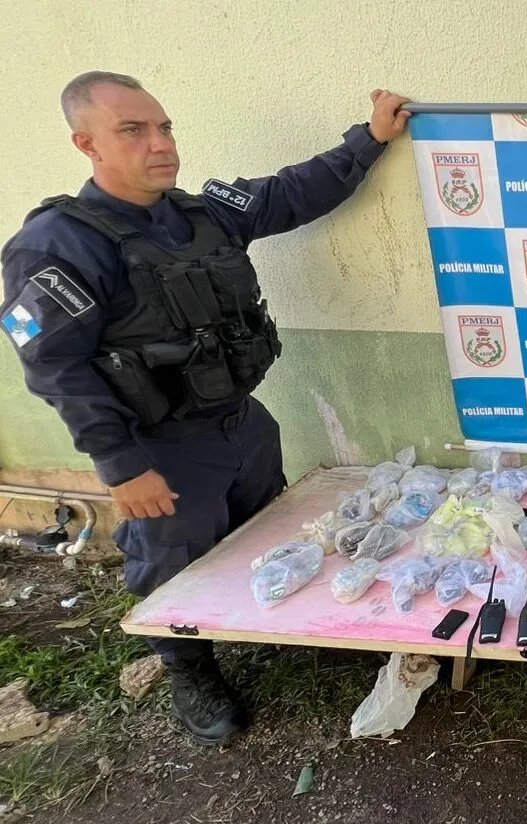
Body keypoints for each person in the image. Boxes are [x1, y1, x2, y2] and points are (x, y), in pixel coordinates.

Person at [1, 71, 411, 746]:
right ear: (87, 144)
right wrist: (122, 465)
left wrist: (368, 139)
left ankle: (271, 625)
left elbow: (289, 194)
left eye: (164, 127)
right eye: (132, 130)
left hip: (242, 425)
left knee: (265, 532)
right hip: (160, 447)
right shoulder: (59, 243)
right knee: (172, 562)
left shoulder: (199, 214)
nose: (160, 143)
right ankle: (187, 668)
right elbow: (54, 365)